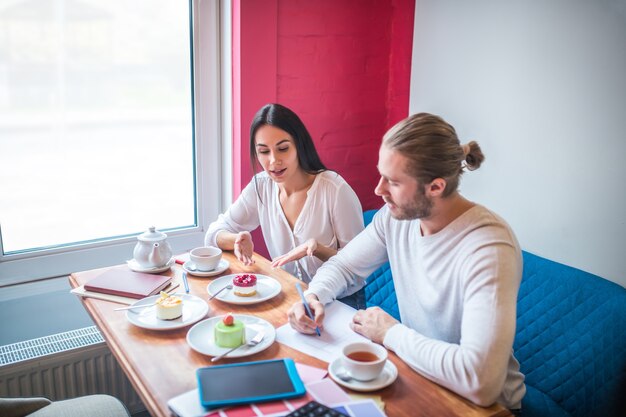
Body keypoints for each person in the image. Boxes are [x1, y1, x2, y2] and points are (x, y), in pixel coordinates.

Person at [288, 112, 526, 412]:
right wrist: (313, 296)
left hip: (483, 408)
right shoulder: (395, 218)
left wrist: (390, 333)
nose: (378, 190)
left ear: (436, 187)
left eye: (393, 182)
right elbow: (344, 266)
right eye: (381, 174)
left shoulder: (489, 248)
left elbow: (480, 380)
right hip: (420, 374)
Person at [205, 103, 366, 308]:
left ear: (299, 145)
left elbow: (357, 270)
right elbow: (213, 233)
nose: (273, 161)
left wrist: (318, 250)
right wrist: (235, 239)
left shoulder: (334, 190)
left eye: (283, 149)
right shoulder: (260, 186)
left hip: (341, 300)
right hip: (291, 295)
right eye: (263, 151)